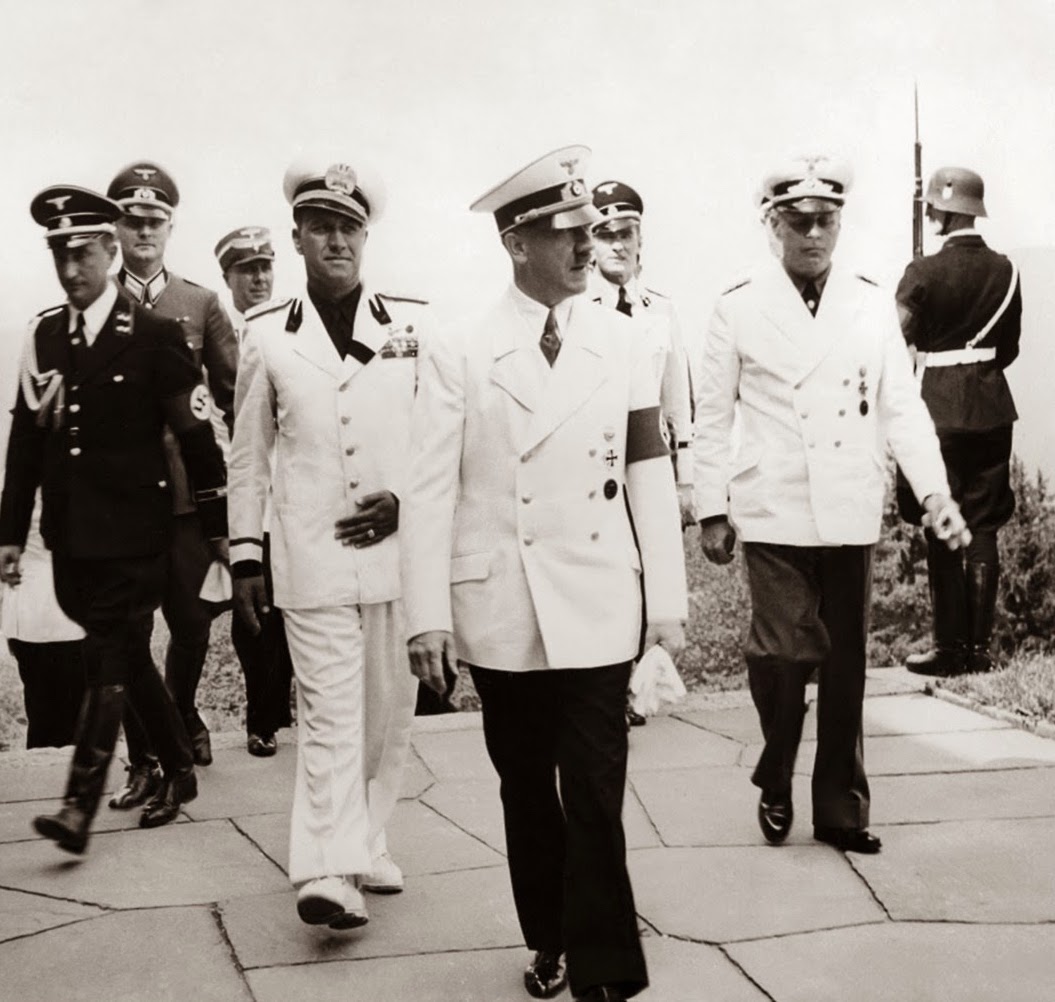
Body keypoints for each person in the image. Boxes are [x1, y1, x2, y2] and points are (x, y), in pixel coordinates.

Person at [402, 146, 688, 1002]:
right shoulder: (459, 346)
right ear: (515, 243)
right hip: (503, 607)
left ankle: (605, 969)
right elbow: (426, 488)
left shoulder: (625, 338)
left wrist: (665, 607)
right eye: (564, 234)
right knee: (527, 790)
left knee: (596, 792)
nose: (583, 249)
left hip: (600, 594)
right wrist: (427, 615)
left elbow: (647, 470)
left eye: (589, 232)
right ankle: (550, 938)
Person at [694, 153, 969, 856]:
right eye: (797, 221)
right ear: (770, 226)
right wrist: (711, 506)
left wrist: (933, 492)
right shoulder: (736, 307)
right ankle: (776, 764)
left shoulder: (870, 301)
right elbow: (711, 417)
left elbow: (900, 407)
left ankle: (840, 809)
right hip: (775, 502)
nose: (813, 234)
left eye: (826, 220)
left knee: (844, 663)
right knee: (783, 655)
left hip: (847, 497)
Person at [0, 185, 228, 852]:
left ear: (109, 248)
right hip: (71, 535)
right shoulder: (45, 334)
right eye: (59, 258)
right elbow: (26, 444)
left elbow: (196, 436)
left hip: (136, 534)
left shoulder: (153, 335)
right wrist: (10, 534)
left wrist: (216, 526)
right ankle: (179, 763)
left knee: (106, 653)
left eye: (82, 255)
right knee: (125, 650)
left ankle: (80, 804)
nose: (71, 271)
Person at [229, 155, 422, 929]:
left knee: (388, 715)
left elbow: (444, 438)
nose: (335, 240)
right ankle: (326, 870)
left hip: (400, 559)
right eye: (320, 228)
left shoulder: (413, 324)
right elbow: (247, 455)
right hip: (308, 553)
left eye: (348, 227)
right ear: (298, 238)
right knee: (332, 714)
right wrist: (246, 553)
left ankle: (368, 840)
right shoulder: (266, 336)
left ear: (364, 237)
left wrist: (406, 503)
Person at [107, 161, 238, 790]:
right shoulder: (93, 304)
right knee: (130, 639)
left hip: (187, 499)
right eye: (132, 220)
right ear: (114, 228)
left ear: (170, 226)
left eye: (154, 220)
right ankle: (145, 759)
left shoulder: (200, 303)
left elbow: (236, 398)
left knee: (191, 626)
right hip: (124, 506)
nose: (144, 231)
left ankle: (181, 712)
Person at [896, 167, 1021, 677]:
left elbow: (896, 339)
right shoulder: (1007, 269)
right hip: (992, 407)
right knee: (985, 523)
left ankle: (950, 649)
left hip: (938, 410)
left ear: (944, 210)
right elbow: (1009, 347)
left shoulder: (921, 272)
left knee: (941, 520)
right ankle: (979, 651)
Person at [590, 179, 696, 728]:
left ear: (639, 238)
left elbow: (679, 398)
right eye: (604, 234)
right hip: (599, 464)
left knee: (650, 571)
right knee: (611, 571)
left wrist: (686, 482)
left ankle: (638, 684)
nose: (616, 245)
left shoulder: (660, 310)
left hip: (650, 465)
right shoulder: (578, 309)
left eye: (625, 233)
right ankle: (608, 683)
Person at [214, 227, 294, 756]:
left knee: (291, 608)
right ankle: (260, 719)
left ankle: (285, 712)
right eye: (247, 271)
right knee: (253, 613)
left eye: (266, 267)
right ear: (229, 279)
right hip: (238, 488)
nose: (259, 278)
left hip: (288, 489)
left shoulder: (289, 329)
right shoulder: (220, 335)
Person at [1, 487, 86, 748]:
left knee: (39, 705)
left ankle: (44, 763)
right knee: (73, 706)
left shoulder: (13, 486)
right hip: (71, 606)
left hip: (27, 607)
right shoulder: (80, 478)